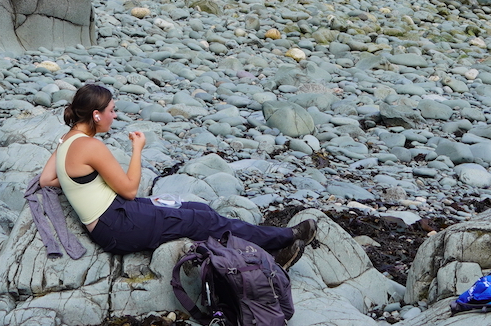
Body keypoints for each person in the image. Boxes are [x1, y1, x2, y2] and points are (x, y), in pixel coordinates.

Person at [39, 83, 315, 266]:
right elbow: (130, 190)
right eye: (112, 111)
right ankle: (280, 242)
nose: (115, 115)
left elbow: (46, 180)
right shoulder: (91, 146)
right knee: (200, 220)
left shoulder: (67, 140)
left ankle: (265, 246)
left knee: (197, 209)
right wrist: (137, 149)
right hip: (117, 226)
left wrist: (81, 188)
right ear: (96, 115)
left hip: (114, 216)